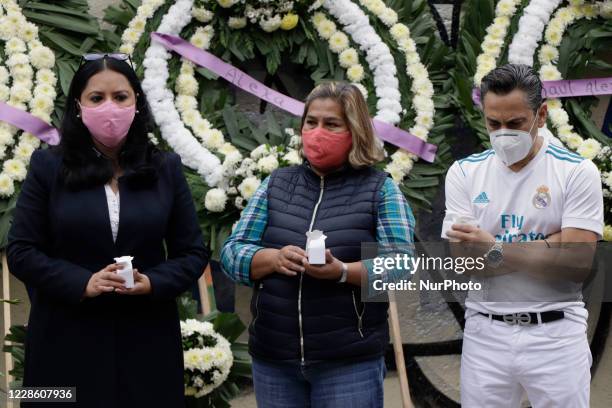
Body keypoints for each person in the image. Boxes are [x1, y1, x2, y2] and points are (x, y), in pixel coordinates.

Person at [8, 53, 208, 407]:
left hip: (147, 341)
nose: (110, 108)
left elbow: (192, 252)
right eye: (96, 98)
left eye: (120, 97)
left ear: (137, 103)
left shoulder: (165, 167)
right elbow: (22, 251)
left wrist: (154, 282)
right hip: (63, 339)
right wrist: (81, 282)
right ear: (78, 106)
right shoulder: (46, 166)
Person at [221, 82, 414, 407]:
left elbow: (399, 265)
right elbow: (232, 252)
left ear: (355, 131)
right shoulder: (276, 184)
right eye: (311, 122)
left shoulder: (379, 189)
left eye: (331, 124)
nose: (317, 132)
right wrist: (270, 259)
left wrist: (341, 271)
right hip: (274, 360)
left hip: (348, 363)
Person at [442, 64, 603, 407]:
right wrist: (551, 245)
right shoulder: (464, 173)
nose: (503, 133)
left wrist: (493, 247)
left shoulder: (576, 172)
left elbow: (577, 264)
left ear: (541, 115)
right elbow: (464, 263)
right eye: (493, 123)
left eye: (514, 123)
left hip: (557, 334)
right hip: (485, 334)